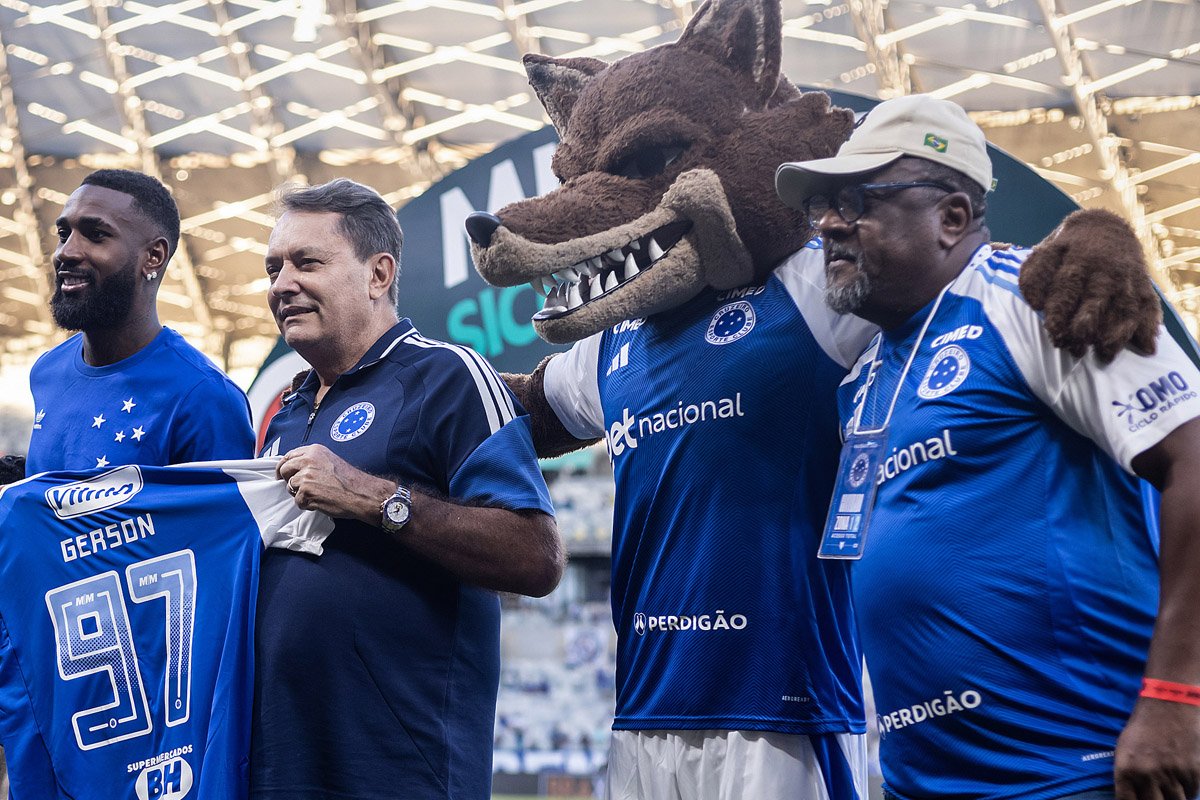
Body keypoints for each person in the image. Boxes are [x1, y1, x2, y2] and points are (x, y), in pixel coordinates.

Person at [776, 94, 1200, 800]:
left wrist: (1176, 697)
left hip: (1082, 770)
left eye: (857, 198)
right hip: (926, 783)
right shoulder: (863, 378)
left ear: (951, 218)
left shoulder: (1046, 299)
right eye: (821, 204)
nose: (828, 222)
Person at [253, 178, 563, 800]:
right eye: (274, 267)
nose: (281, 284)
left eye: (306, 262)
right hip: (279, 766)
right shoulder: (284, 409)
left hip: (397, 771)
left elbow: (536, 556)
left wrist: (373, 499)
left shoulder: (447, 376)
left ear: (378, 273)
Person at [25, 169, 253, 474]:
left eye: (96, 235)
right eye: (64, 235)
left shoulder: (205, 398)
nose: (66, 252)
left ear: (153, 257)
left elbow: (220, 520)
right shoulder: (47, 371)